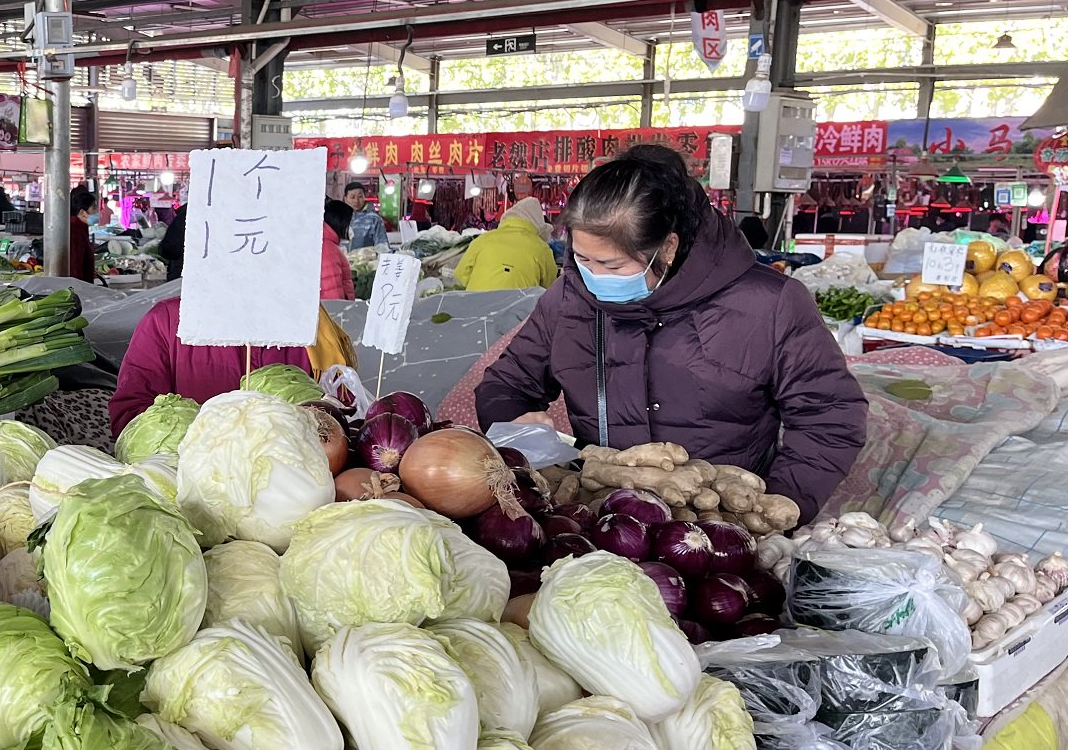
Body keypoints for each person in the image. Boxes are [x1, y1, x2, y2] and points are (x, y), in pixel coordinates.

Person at [475, 144, 866, 522]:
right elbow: (507, 385)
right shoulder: (568, 298)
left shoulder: (769, 303)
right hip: (602, 520)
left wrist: (770, 508)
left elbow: (829, 417)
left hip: (724, 527)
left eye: (611, 265)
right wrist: (517, 426)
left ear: (668, 248)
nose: (592, 276)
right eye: (582, 258)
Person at [110, 297, 313, 433]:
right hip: (187, 484)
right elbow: (129, 417)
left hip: (292, 482)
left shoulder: (313, 329)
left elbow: (337, 415)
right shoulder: (167, 320)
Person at [454, 198, 558, 291]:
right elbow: (551, 288)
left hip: (475, 309)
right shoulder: (541, 249)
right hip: (520, 310)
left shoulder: (483, 240)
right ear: (538, 225)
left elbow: (459, 276)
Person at [320, 198, 355, 299]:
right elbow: (332, 291)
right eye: (350, 222)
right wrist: (340, 313)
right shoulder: (328, 249)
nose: (351, 226)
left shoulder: (327, 243)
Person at [344, 182, 387, 249]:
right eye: (352, 197)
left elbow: (382, 245)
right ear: (345, 199)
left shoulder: (374, 219)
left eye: (360, 197)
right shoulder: (339, 218)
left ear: (365, 197)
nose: (356, 201)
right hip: (340, 258)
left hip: (366, 259)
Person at [68, 185, 98, 282]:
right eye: (94, 208)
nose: (96, 212)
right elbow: (75, 264)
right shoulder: (75, 228)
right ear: (82, 212)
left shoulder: (80, 226)